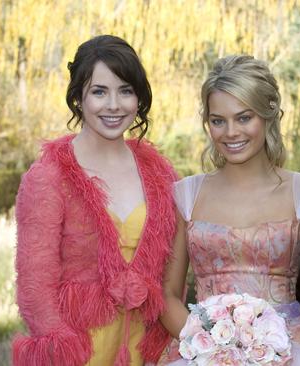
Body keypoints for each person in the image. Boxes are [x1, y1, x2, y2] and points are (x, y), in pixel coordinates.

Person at [13, 35, 177, 366]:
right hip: (79, 351)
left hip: (145, 350)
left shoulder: (161, 173)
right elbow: (35, 290)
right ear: (79, 98)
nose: (113, 105)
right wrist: (66, 352)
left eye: (125, 91)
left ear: (139, 98)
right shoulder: (49, 176)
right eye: (99, 91)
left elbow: (172, 272)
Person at [158, 55, 300, 365]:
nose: (230, 132)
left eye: (244, 117)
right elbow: (167, 294)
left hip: (289, 350)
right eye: (218, 120)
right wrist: (210, 347)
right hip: (202, 353)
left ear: (269, 114)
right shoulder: (185, 195)